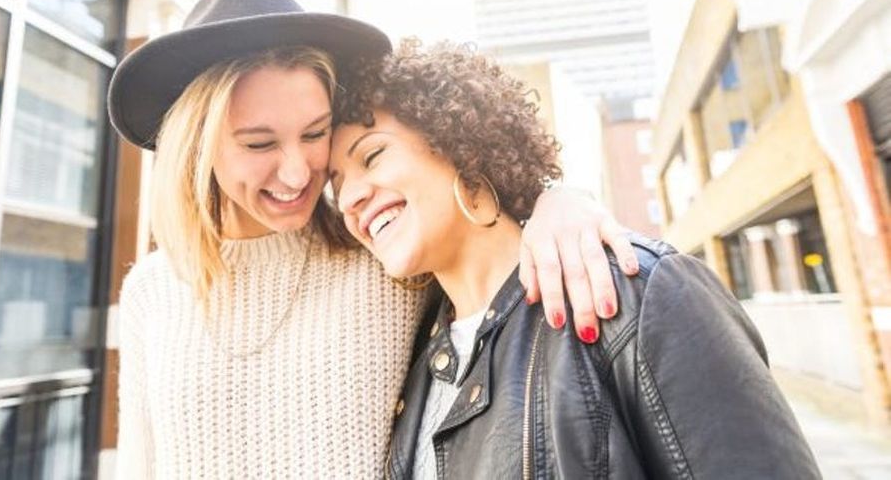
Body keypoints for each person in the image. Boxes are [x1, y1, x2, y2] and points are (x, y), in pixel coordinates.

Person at [107, 0, 638, 478]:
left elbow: (482, 248)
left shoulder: (385, 263)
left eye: (314, 134)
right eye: (259, 143)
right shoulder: (151, 292)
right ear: (195, 148)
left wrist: (556, 198)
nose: (297, 172)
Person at [329, 41, 822, 479]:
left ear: (457, 145)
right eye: (335, 185)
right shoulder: (414, 355)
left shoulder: (637, 291)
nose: (349, 197)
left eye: (371, 157)